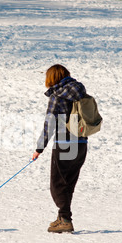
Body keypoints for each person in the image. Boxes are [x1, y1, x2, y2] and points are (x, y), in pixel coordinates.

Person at [32, 64, 88, 233]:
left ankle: (64, 219)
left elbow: (50, 124)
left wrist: (39, 148)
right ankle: (63, 217)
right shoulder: (80, 92)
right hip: (81, 142)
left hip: (65, 142)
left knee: (57, 184)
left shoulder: (57, 97)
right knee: (68, 183)